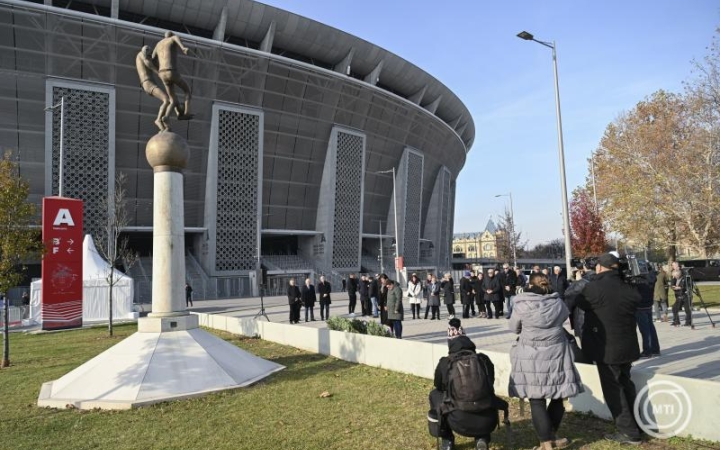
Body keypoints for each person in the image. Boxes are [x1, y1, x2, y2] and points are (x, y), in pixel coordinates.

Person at [509, 273, 583, 450]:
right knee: (558, 396)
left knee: (537, 399)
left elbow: (514, 328)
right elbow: (564, 317)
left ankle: (545, 442)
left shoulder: (521, 304)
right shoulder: (558, 303)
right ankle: (551, 436)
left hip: (530, 354)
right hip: (557, 353)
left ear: (529, 284)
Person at [576, 253, 643, 445]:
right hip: (627, 346)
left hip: (606, 349)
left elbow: (578, 301)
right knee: (626, 383)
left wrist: (583, 281)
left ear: (599, 267)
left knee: (614, 390)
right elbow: (637, 297)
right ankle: (637, 424)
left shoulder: (594, 287)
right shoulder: (627, 286)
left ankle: (629, 432)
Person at [429, 319, 506, 450]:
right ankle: (482, 438)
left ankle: (447, 440)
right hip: (487, 421)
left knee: (434, 395)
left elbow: (438, 386)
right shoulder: (484, 360)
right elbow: (490, 384)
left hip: (458, 420)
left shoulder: (445, 362)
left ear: (450, 344)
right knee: (485, 394)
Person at [152, 31, 192, 119]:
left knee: (172, 99)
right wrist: (184, 48)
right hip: (171, 71)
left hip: (162, 73)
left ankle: (166, 116)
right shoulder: (173, 38)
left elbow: (153, 58)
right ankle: (186, 113)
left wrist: (158, 68)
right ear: (171, 35)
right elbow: (179, 42)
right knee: (187, 91)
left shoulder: (158, 44)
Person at [135, 45, 170, 131]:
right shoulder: (143, 52)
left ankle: (163, 123)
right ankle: (158, 120)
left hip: (149, 83)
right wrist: (159, 73)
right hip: (147, 83)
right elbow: (148, 62)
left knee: (167, 101)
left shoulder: (146, 56)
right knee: (166, 100)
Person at [634, 269, 661, 358]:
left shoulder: (640, 279)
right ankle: (655, 349)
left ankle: (647, 351)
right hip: (648, 305)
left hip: (640, 306)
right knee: (650, 327)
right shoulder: (651, 277)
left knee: (645, 330)